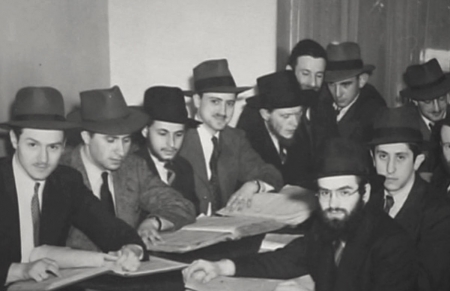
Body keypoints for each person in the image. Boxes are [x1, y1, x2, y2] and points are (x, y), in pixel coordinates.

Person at [183, 138, 417, 291]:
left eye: (344, 192)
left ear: (364, 193)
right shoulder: (328, 227)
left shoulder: (392, 244)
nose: (333, 203)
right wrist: (222, 267)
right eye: (325, 193)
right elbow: (285, 260)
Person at [0, 87, 145, 286]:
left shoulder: (66, 182)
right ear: (15, 140)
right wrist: (21, 270)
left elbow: (109, 227)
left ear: (64, 144)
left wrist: (132, 248)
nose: (43, 159)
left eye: (53, 147)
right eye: (33, 145)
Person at [61, 86, 196, 250]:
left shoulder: (132, 167)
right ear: (86, 137)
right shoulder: (62, 171)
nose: (121, 151)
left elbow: (182, 205)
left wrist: (153, 222)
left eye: (126, 140)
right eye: (110, 140)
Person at [179, 59, 283, 215]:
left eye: (230, 103)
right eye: (215, 101)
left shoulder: (235, 139)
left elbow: (271, 174)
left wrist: (252, 185)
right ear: (197, 100)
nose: (223, 111)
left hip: (224, 229)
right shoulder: (177, 137)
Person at [368, 105, 450, 291]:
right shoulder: (366, 198)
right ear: (372, 158)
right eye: (382, 156)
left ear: (418, 161)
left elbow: (426, 283)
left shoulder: (439, 213)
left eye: (400, 157)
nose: (390, 169)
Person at [242, 70, 317, 187]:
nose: (295, 123)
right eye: (285, 116)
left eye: (298, 114)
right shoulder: (248, 142)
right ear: (265, 114)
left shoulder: (303, 131)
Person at [135, 86, 200, 214]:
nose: (171, 143)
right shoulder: (133, 167)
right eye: (163, 133)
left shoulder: (183, 167)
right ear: (145, 131)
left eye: (178, 134)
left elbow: (193, 210)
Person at [324, 41, 385, 143]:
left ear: (361, 80)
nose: (338, 93)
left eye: (345, 85)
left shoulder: (374, 114)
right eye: (331, 84)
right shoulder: (318, 101)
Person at [400, 58, 450, 174]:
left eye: (441, 99)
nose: (437, 108)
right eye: (428, 102)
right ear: (415, 101)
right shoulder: (404, 125)